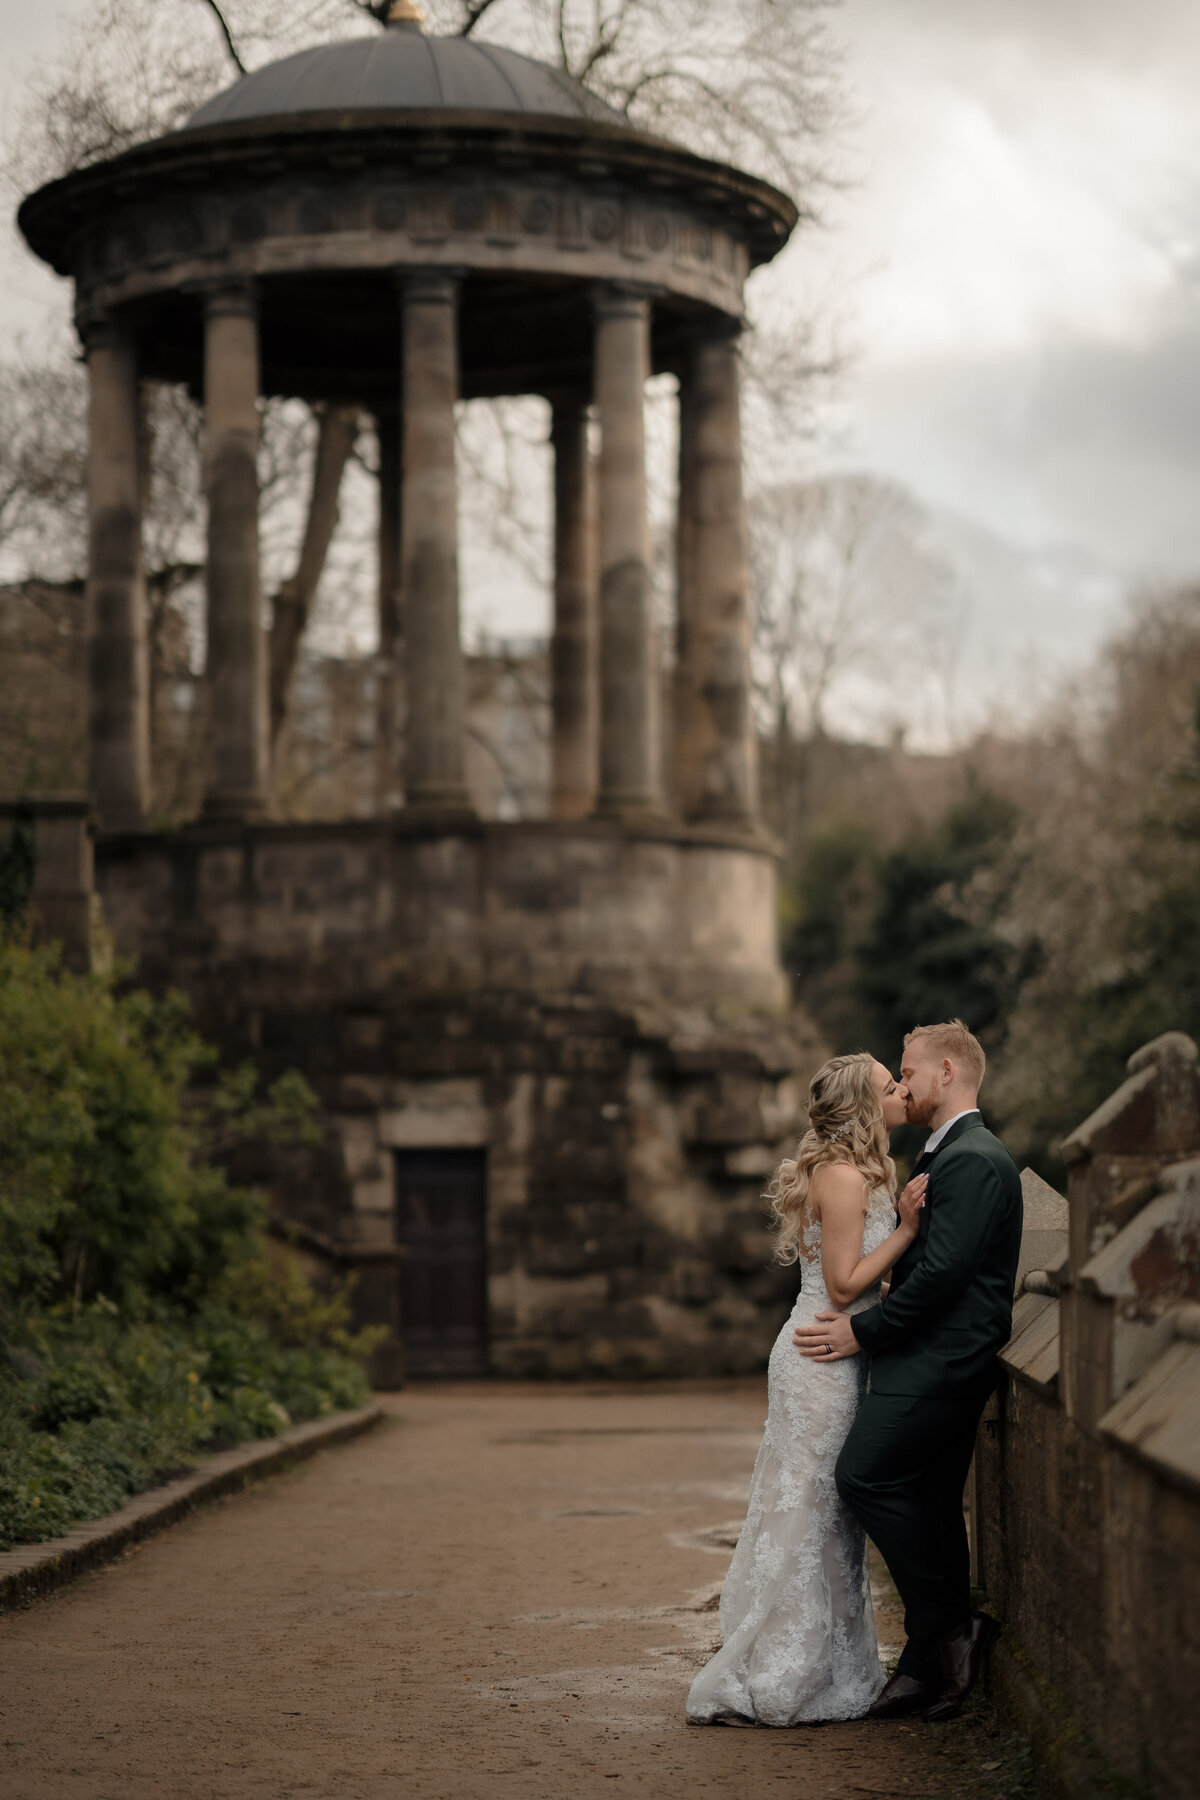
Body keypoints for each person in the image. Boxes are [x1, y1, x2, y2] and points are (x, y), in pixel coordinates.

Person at [686, 1052, 928, 1726]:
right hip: (819, 1359)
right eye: (889, 1086)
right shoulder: (844, 1175)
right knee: (806, 1517)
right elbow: (846, 1284)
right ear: (862, 1105)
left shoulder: (860, 1173)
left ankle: (825, 1672)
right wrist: (907, 1231)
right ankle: (771, 1677)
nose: (901, 1090)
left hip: (835, 1352)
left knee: (829, 1521)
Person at [793, 1019, 1023, 1722]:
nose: (903, 1084)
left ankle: (950, 1627)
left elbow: (946, 1276)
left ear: (948, 1071)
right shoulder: (940, 1155)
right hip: (922, 1358)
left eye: (910, 1071)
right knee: (926, 1499)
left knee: (862, 1475)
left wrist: (863, 1330)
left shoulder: (974, 1159)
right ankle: (929, 1660)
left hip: (945, 1362)